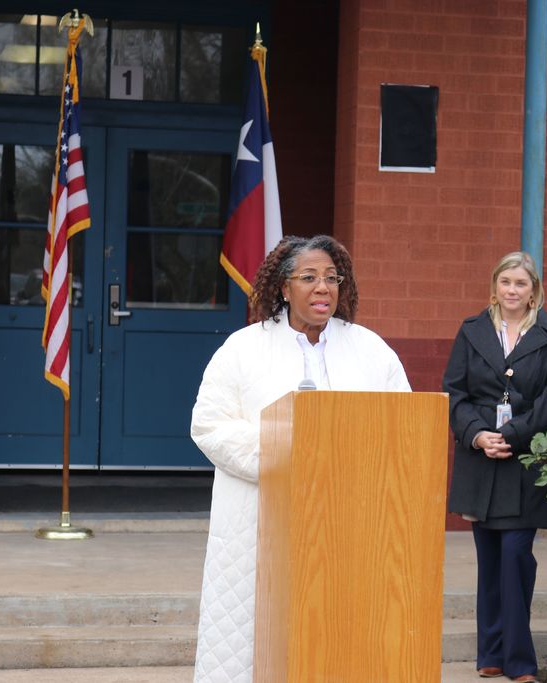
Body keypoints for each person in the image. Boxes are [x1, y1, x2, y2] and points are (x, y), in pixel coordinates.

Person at [190, 234, 411, 683]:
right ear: (283, 288)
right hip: (262, 516)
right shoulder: (243, 348)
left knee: (340, 631)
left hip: (348, 519)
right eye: (308, 277)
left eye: (332, 277)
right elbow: (209, 425)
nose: (322, 287)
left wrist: (345, 461)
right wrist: (289, 459)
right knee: (255, 640)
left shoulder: (370, 350)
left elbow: (401, 423)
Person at [443, 251, 547, 682]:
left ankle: (520, 662)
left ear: (533, 289)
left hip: (526, 460)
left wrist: (513, 435)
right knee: (491, 558)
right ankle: (491, 653)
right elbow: (455, 394)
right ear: (494, 286)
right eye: (506, 283)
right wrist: (479, 435)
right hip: (481, 458)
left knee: (517, 555)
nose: (513, 291)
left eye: (521, 283)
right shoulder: (472, 331)